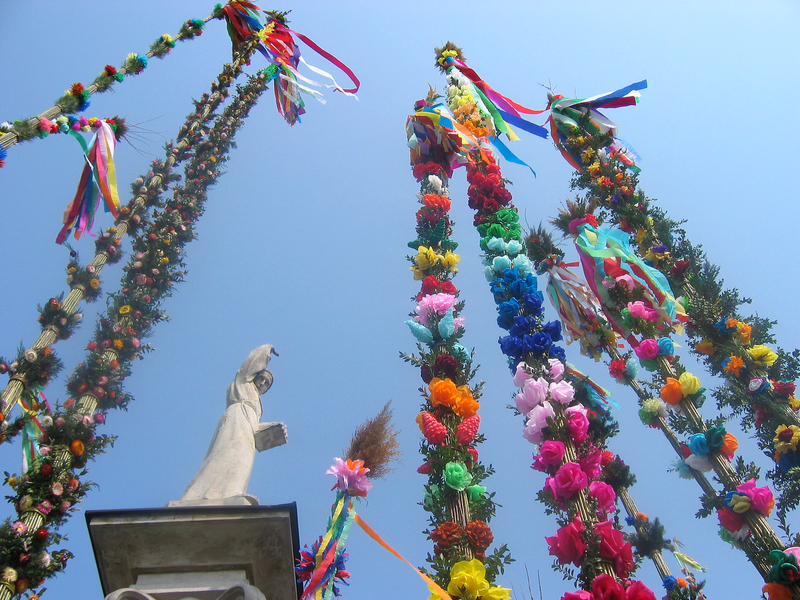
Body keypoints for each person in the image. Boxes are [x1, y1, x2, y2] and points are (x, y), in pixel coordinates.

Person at [178, 344, 286, 504]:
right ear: (254, 376)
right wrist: (266, 350)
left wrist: (274, 429)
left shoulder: (257, 404)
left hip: (248, 426)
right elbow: (250, 364)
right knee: (228, 451)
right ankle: (201, 494)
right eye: (261, 378)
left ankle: (233, 491)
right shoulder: (244, 383)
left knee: (242, 458)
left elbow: (255, 426)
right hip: (237, 417)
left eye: (266, 383)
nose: (262, 383)